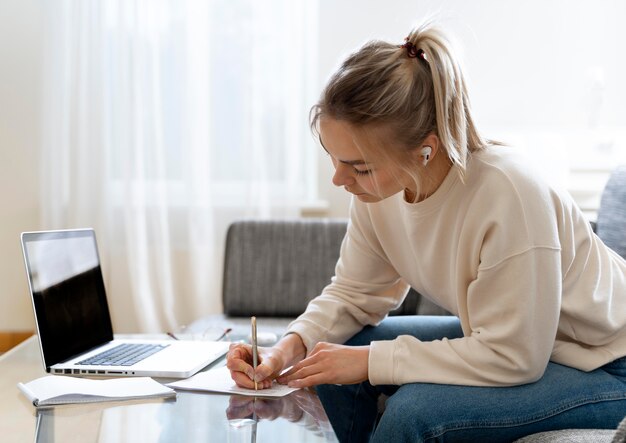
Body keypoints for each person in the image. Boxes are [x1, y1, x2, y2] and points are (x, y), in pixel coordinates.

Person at [226, 22, 626, 442]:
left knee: (413, 413)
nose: (339, 180)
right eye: (334, 157)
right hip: (529, 349)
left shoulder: (510, 194)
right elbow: (352, 296)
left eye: (359, 166)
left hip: (606, 365)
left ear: (425, 150)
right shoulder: (378, 192)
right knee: (330, 359)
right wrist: (287, 348)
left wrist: (370, 362)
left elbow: (515, 358)